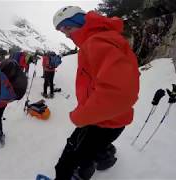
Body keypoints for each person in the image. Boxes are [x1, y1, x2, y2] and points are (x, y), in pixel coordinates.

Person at [52, 6, 140, 179]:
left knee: (67, 162)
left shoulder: (97, 42)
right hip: (106, 118)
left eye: (68, 28)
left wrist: (81, 116)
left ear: (81, 22)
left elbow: (118, 93)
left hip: (102, 121)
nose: (67, 35)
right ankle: (103, 156)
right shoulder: (99, 40)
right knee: (80, 148)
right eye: (63, 32)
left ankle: (81, 170)